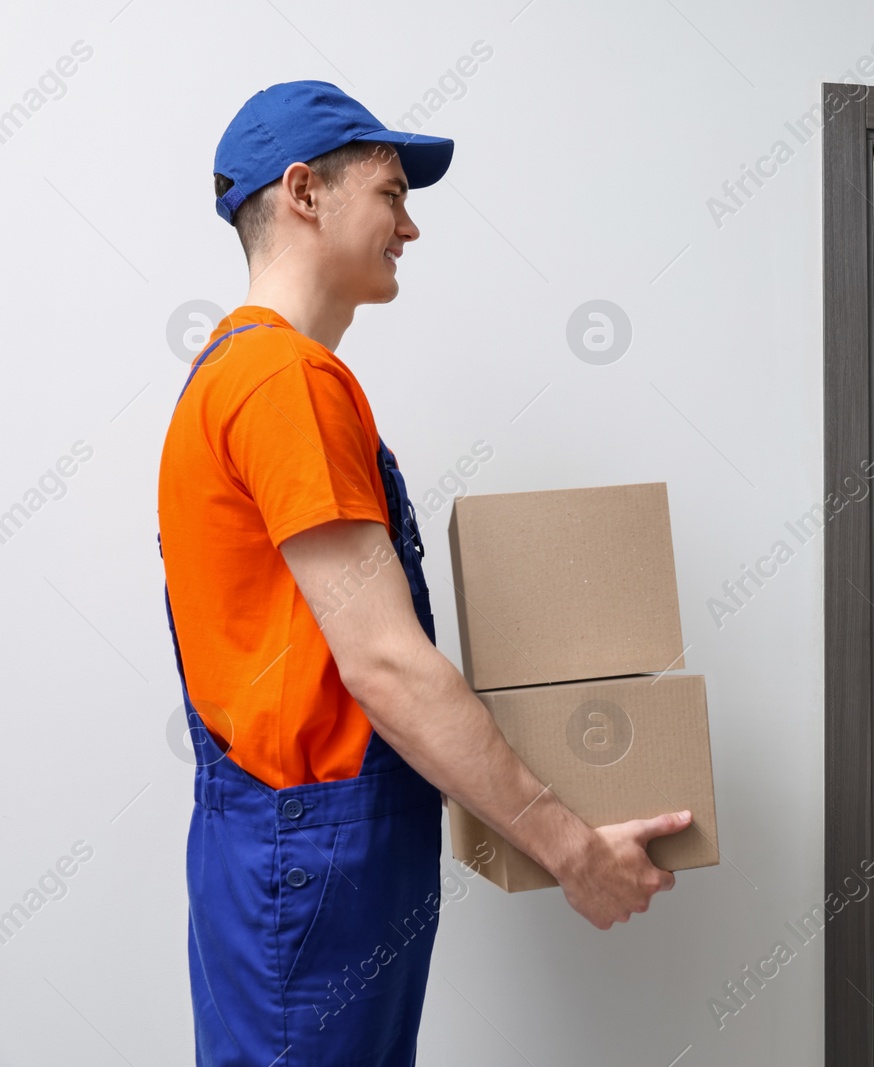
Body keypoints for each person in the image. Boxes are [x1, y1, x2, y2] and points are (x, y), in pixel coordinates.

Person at [157, 80, 690, 1065]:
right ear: (305, 190)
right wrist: (571, 850)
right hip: (314, 852)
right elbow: (385, 664)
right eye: (393, 194)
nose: (411, 227)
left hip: (285, 843)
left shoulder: (231, 371)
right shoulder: (284, 381)